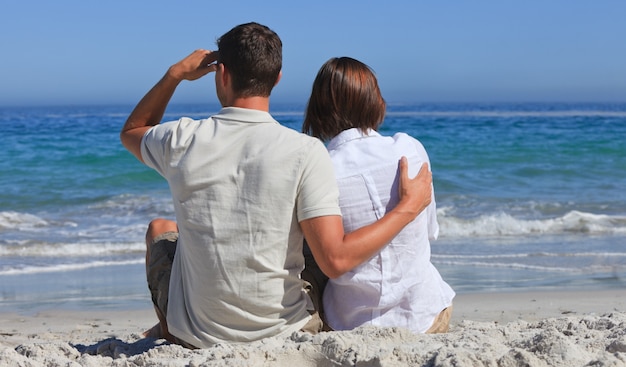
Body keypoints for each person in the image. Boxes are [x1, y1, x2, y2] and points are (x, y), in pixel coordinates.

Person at [120, 23, 433, 348]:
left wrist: (175, 74)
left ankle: (169, 328)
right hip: (286, 334)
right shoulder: (306, 151)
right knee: (312, 238)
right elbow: (335, 261)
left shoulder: (182, 139)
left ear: (222, 73)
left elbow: (134, 129)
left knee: (160, 228)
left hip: (197, 336)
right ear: (278, 78)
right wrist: (407, 207)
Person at [302, 57, 455, 334]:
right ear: (374, 102)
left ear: (318, 110)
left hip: (348, 323)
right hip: (424, 314)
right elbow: (431, 230)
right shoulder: (409, 149)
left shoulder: (321, 170)